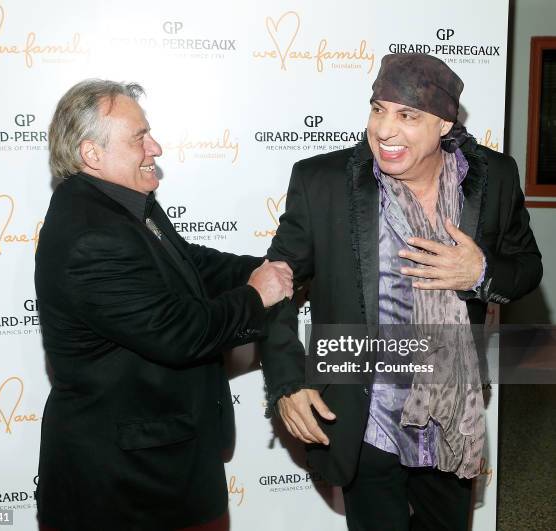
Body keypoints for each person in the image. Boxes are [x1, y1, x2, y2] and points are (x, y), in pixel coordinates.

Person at [260, 54, 542, 530]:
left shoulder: (494, 179)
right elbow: (273, 288)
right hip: (364, 417)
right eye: (378, 109)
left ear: (444, 123)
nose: (385, 129)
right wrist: (287, 383)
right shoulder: (322, 182)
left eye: (407, 115)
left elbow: (527, 268)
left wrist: (482, 270)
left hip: (451, 419)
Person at [35, 79, 293, 531]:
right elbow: (181, 333)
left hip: (164, 465)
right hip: (126, 487)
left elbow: (189, 264)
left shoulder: (125, 205)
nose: (155, 147)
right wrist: (258, 295)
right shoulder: (91, 235)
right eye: (139, 138)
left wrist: (275, 267)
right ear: (92, 154)